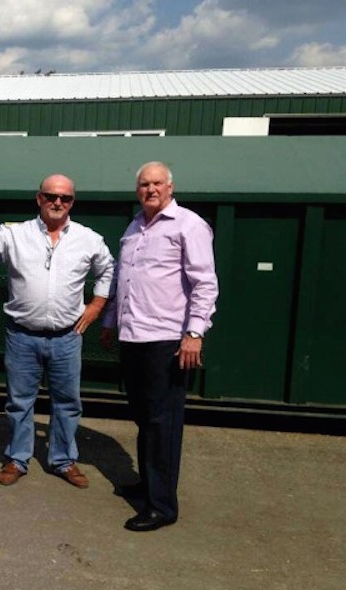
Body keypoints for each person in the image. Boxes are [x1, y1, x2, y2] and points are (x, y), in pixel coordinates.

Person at [0, 174, 115, 488]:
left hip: (67, 338)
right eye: (51, 196)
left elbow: (108, 269)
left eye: (65, 198)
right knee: (20, 402)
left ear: (73, 202)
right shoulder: (15, 235)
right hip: (22, 336)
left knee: (68, 403)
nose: (58, 203)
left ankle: (62, 460)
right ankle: (18, 458)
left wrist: (97, 306)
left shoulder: (88, 239)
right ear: (39, 198)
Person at [101, 161, 218, 531]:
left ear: (170, 187)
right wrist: (109, 321)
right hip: (133, 336)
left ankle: (162, 507)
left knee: (161, 422)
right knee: (143, 416)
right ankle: (149, 485)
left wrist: (194, 333)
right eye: (143, 184)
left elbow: (205, 284)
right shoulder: (134, 226)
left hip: (167, 339)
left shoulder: (189, 225)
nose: (150, 189)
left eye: (157, 183)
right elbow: (123, 278)